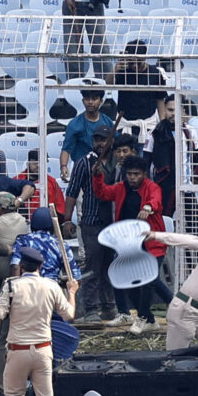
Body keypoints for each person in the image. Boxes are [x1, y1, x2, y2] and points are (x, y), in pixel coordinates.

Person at [0, 247, 76, 396]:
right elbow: (69, 315)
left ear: (21, 266)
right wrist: (72, 292)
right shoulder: (51, 286)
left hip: (17, 349)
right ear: (41, 266)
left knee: (13, 395)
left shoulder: (11, 285)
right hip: (43, 349)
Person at [92, 154, 168, 335]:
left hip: (151, 242)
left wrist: (148, 207)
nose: (132, 177)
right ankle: (150, 318)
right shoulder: (120, 188)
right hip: (128, 244)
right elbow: (102, 192)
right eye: (130, 174)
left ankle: (142, 317)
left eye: (136, 174)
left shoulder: (152, 187)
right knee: (126, 279)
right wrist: (97, 176)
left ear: (144, 174)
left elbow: (155, 200)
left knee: (149, 280)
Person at [65, 124, 116, 323]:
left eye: (104, 139)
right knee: (93, 266)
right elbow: (72, 191)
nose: (100, 143)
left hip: (113, 224)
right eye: (97, 139)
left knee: (109, 266)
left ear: (111, 141)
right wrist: (68, 219)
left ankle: (110, 306)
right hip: (91, 221)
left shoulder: (118, 162)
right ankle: (91, 308)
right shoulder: (83, 163)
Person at [61, 83, 112, 179]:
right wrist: (63, 167)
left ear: (101, 101)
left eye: (94, 99)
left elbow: (115, 144)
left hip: (104, 172)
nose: (90, 102)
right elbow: (66, 149)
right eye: (87, 99)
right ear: (83, 100)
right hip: (82, 171)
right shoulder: (74, 124)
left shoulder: (107, 122)